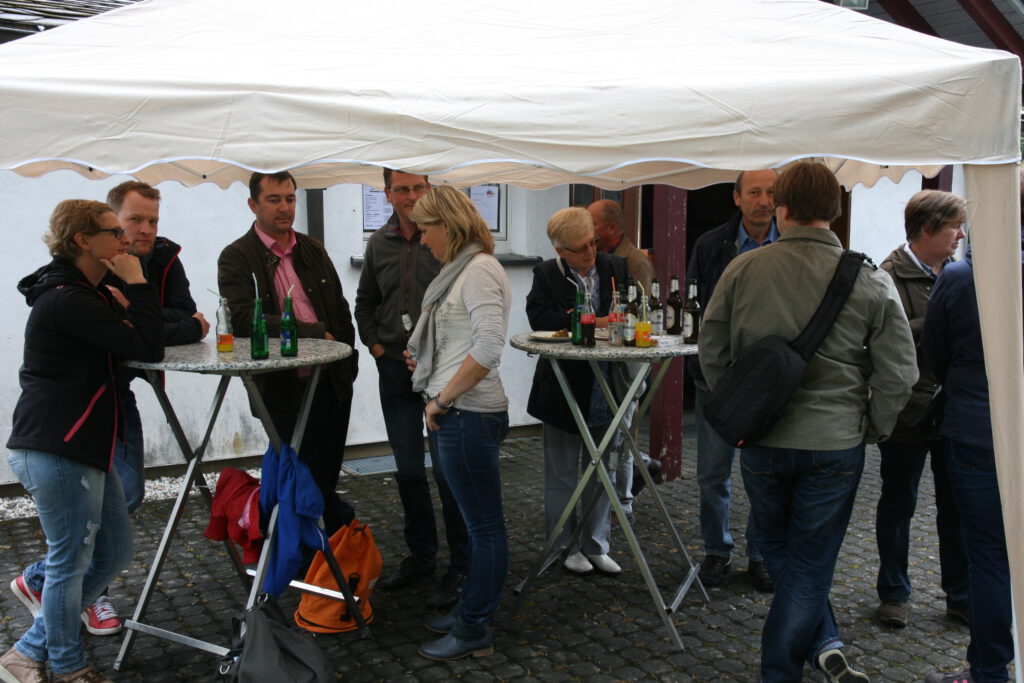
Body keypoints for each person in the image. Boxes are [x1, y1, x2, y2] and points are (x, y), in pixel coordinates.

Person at [700, 161, 917, 682]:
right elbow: (900, 374)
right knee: (808, 563)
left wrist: (741, 407)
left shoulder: (743, 269)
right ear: (835, 209)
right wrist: (874, 426)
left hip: (762, 438)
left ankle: (802, 656)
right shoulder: (871, 278)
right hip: (836, 441)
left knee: (778, 550)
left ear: (783, 208)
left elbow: (711, 351)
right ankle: (806, 653)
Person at [10, 181, 210, 637]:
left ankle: (44, 589)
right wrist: (140, 305)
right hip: (73, 420)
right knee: (87, 533)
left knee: (127, 497)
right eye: (131, 222)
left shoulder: (163, 257)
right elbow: (144, 337)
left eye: (152, 220)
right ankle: (71, 610)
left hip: (114, 399)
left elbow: (184, 318)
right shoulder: (83, 282)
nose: (142, 231)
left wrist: (144, 315)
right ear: (103, 228)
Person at [0, 199, 163, 683]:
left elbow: (147, 335)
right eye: (114, 231)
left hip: (84, 446)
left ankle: (26, 652)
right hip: (58, 447)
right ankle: (69, 668)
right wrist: (137, 285)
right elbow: (148, 345)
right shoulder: (69, 300)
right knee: (69, 563)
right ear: (83, 241)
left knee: (113, 553)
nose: (125, 239)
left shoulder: (85, 295)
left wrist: (130, 306)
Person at [402, 186, 511, 661]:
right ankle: (470, 610)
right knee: (475, 524)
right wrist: (431, 361)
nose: (423, 240)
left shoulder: (479, 270)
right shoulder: (461, 270)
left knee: (484, 528)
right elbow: (464, 341)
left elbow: (487, 347)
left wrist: (442, 399)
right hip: (457, 411)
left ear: (448, 225)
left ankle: (474, 627)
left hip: (466, 413)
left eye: (426, 229)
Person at [218, 171, 358, 536]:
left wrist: (346, 361)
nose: (285, 207)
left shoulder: (311, 248)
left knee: (325, 477)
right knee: (299, 480)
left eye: (290, 198)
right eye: (274, 199)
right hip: (283, 389)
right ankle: (303, 552)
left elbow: (340, 311)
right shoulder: (237, 256)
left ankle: (325, 551)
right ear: (253, 204)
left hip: (330, 382)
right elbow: (243, 321)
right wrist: (316, 335)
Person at [355, 169, 469, 609]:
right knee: (408, 470)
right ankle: (421, 555)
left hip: (440, 373)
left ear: (430, 190)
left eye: (418, 187)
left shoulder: (444, 239)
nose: (410, 196)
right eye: (401, 189)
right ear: (387, 194)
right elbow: (365, 303)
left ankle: (461, 564)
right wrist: (377, 348)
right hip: (394, 371)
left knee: (447, 470)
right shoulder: (377, 244)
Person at [921, 185, 1022, 683]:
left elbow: (935, 353)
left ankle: (989, 669)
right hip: (991, 426)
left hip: (975, 428)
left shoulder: (961, 277)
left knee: (988, 556)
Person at [874, 190, 969, 629]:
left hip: (952, 409)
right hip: (906, 410)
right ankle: (893, 593)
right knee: (898, 503)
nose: (961, 235)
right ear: (927, 229)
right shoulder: (887, 276)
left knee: (956, 507)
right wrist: (938, 322)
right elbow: (882, 338)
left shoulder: (958, 272)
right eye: (954, 227)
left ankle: (960, 595)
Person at [686, 168, 778, 592]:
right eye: (754, 192)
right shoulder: (711, 245)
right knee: (712, 473)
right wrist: (707, 367)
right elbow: (694, 307)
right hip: (717, 379)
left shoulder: (789, 243)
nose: (764, 200)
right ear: (737, 198)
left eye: (771, 192)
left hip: (769, 383)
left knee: (764, 475)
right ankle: (716, 552)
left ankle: (760, 555)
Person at [526, 207, 629, 575]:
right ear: (561, 251)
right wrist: (595, 321)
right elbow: (540, 319)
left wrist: (595, 322)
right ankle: (563, 546)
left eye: (593, 243)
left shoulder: (615, 267)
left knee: (603, 471)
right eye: (581, 247)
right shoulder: (546, 275)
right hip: (564, 387)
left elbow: (630, 309)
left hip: (608, 384)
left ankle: (597, 545)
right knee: (563, 474)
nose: (590, 252)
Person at [588, 198, 660, 520]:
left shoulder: (633, 261)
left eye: (593, 224)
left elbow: (643, 312)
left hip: (627, 363)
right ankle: (640, 469)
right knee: (614, 433)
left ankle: (624, 503)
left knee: (623, 433)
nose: (589, 231)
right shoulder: (601, 257)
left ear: (612, 228)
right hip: (608, 359)